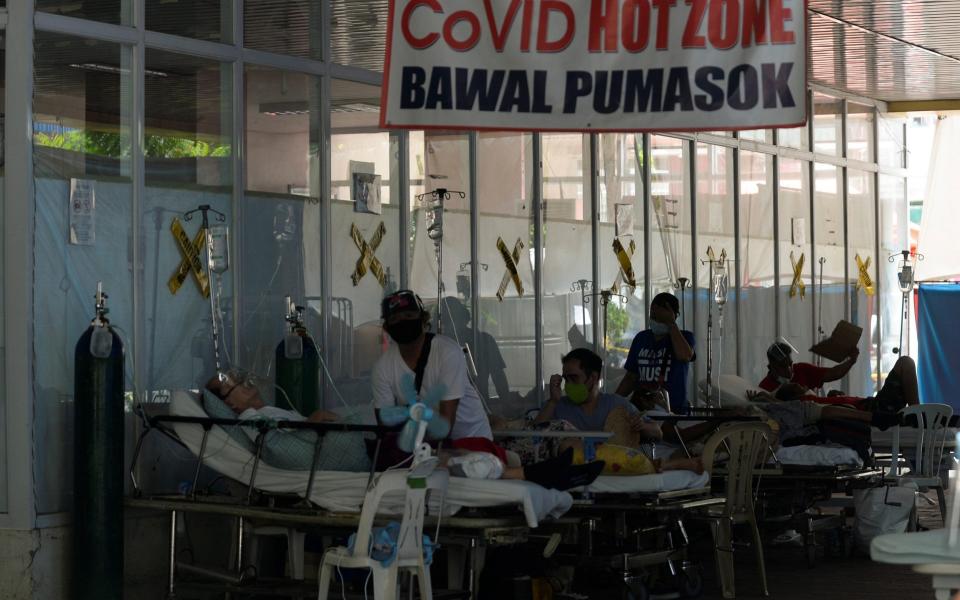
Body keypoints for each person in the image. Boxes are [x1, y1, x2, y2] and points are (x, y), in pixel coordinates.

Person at [371, 290, 604, 490]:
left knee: (456, 457)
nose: (403, 321)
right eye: (397, 318)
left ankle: (543, 473)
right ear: (387, 326)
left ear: (423, 320)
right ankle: (543, 474)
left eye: (409, 315)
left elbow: (444, 427)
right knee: (432, 457)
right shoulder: (383, 367)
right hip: (422, 446)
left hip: (469, 439)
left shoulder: (446, 353)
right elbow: (385, 425)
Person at [539, 347, 703, 475]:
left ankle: (667, 464)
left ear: (593, 378)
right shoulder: (558, 405)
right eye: (565, 379)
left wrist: (642, 426)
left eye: (574, 378)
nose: (568, 384)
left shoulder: (616, 404)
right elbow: (533, 435)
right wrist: (553, 401)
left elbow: (657, 432)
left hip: (614, 464)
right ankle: (668, 465)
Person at [759, 341, 919, 414]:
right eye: (783, 366)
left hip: (866, 405)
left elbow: (834, 373)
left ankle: (917, 416)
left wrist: (851, 361)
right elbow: (778, 410)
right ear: (772, 365)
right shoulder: (769, 389)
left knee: (905, 363)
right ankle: (917, 417)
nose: (789, 370)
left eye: (790, 364)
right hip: (868, 410)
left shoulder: (801, 372)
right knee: (906, 363)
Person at [616, 292, 696, 414]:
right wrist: (614, 401)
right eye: (653, 315)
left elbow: (684, 355)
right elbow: (631, 377)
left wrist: (671, 324)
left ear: (674, 316)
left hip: (673, 411)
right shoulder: (641, 338)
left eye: (660, 317)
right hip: (642, 410)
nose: (656, 320)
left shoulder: (684, 337)